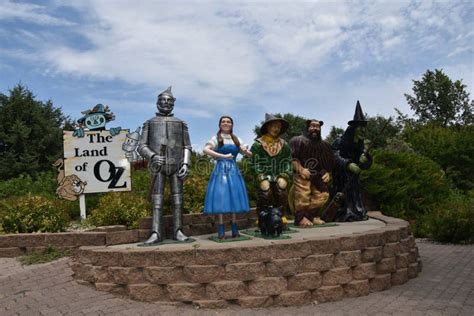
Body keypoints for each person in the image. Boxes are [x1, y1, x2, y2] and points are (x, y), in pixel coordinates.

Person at [138, 87, 192, 245]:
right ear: (157, 103)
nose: (166, 103)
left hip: (176, 165)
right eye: (162, 100)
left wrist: (186, 164)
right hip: (157, 167)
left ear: (173, 103)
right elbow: (141, 146)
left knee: (178, 200)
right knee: (157, 201)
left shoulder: (181, 123)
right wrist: (153, 156)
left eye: (169, 100)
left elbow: (187, 146)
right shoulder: (149, 123)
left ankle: (178, 231)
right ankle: (156, 232)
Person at [203, 116, 252, 239]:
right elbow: (206, 149)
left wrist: (245, 150)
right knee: (222, 196)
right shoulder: (216, 138)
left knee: (234, 195)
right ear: (220, 124)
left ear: (232, 124)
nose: (226, 123)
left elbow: (249, 154)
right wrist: (222, 156)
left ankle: (234, 227)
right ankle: (221, 227)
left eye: (228, 121)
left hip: (233, 170)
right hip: (221, 170)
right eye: (223, 121)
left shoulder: (236, 139)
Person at [332, 101, 373, 222]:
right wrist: (348, 164)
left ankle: (357, 211)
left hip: (354, 177)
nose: (362, 132)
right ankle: (345, 212)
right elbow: (334, 155)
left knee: (355, 194)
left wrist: (366, 159)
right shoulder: (339, 141)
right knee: (344, 196)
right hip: (341, 176)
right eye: (360, 129)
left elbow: (365, 163)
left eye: (363, 129)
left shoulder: (360, 145)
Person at [289, 119, 335, 226]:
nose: (315, 129)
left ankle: (311, 216)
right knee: (303, 195)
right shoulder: (297, 141)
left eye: (317, 126)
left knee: (323, 195)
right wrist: (300, 169)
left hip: (318, 174)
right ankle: (301, 218)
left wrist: (328, 173)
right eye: (312, 126)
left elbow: (329, 162)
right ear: (307, 127)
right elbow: (291, 158)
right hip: (302, 173)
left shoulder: (325, 146)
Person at [249, 114, 292, 225]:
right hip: (264, 174)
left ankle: (281, 215)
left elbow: (288, 161)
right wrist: (261, 176)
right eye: (273, 126)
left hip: (279, 174)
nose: (276, 129)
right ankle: (262, 216)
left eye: (278, 127)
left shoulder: (284, 145)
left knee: (281, 188)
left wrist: (285, 175)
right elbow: (254, 162)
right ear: (267, 127)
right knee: (265, 191)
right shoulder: (257, 145)